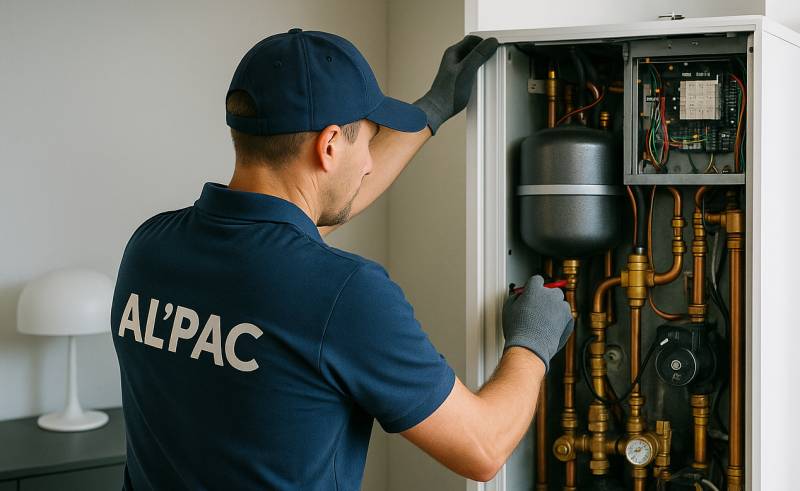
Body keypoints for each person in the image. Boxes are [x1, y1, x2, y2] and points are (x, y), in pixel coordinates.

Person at [111, 28, 573, 490]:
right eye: (368, 142)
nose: (370, 162)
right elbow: (483, 448)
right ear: (330, 145)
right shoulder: (345, 294)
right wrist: (533, 338)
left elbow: (295, 230)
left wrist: (430, 112)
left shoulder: (149, 247)